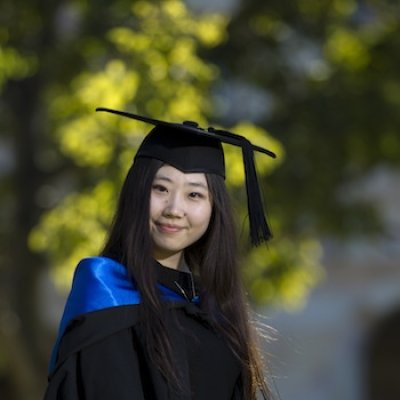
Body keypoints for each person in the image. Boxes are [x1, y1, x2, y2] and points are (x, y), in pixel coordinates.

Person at [43, 107, 277, 400]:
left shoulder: (214, 311)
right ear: (137, 193)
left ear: (214, 209)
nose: (174, 209)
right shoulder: (107, 293)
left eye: (194, 194)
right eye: (160, 188)